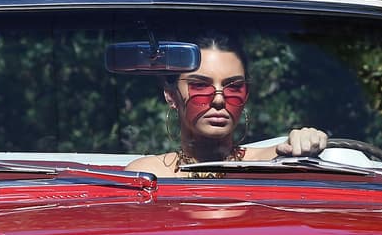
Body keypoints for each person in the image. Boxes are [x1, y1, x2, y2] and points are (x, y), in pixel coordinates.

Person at [124, 34, 327, 177]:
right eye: (200, 86)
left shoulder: (273, 162)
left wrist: (306, 139)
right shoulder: (148, 175)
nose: (219, 99)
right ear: (171, 96)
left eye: (234, 87)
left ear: (246, 95)